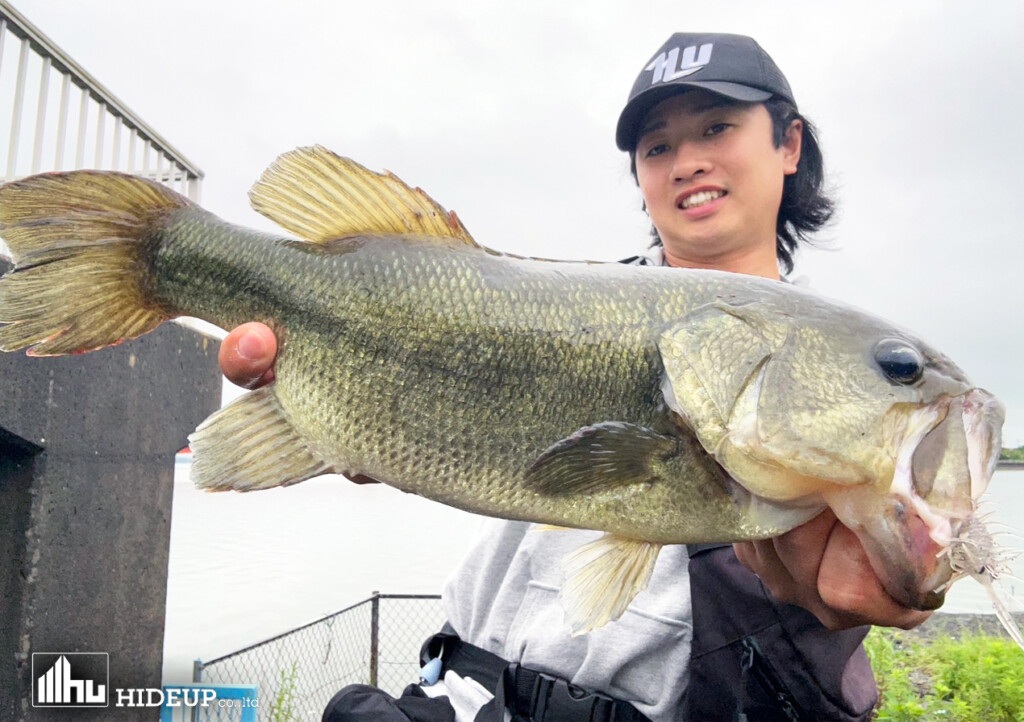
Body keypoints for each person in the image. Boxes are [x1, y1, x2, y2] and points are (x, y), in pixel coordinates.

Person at [220, 33, 930, 721]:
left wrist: (875, 579)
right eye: (657, 147)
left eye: (717, 127)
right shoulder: (559, 304)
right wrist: (341, 421)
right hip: (460, 692)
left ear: (789, 143)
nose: (687, 162)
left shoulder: (836, 382)